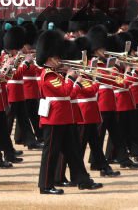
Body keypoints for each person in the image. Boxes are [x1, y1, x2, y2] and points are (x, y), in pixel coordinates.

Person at [35, 30, 102, 195]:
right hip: (54, 118)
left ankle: (83, 180)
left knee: (73, 151)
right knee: (51, 153)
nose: (59, 59)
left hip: (65, 117)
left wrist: (74, 80)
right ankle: (45, 185)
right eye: (57, 57)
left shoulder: (57, 73)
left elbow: (70, 95)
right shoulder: (49, 75)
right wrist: (72, 78)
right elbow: (65, 91)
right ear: (50, 57)